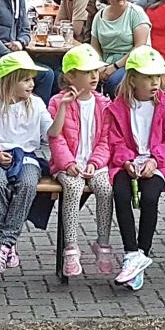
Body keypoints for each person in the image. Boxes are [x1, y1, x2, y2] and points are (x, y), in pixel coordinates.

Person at [0, 51, 53, 274]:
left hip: (27, 157)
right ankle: (8, 239)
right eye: (25, 79)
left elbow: (51, 133)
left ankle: (3, 241)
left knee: (27, 184)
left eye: (32, 79)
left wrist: (62, 109)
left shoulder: (36, 104)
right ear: (10, 81)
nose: (32, 84)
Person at [105, 46, 165, 290]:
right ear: (133, 78)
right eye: (148, 77)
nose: (154, 82)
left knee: (150, 195)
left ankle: (142, 251)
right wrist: (126, 160)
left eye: (157, 77)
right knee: (121, 193)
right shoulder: (118, 106)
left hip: (158, 163)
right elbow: (115, 141)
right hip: (126, 163)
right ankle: (132, 253)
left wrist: (155, 160)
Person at [46, 45, 115, 277]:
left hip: (95, 164)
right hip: (68, 165)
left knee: (105, 188)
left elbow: (106, 140)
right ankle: (71, 246)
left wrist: (96, 163)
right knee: (73, 188)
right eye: (87, 72)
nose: (94, 76)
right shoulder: (57, 102)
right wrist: (68, 164)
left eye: (95, 71)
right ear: (70, 76)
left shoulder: (104, 103)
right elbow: (56, 139)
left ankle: (102, 243)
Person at [90, 0, 151, 96]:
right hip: (106, 62)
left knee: (114, 83)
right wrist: (100, 66)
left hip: (132, 62)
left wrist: (115, 67)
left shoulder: (136, 13)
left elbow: (140, 46)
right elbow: (95, 47)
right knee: (85, 81)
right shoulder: (99, 16)